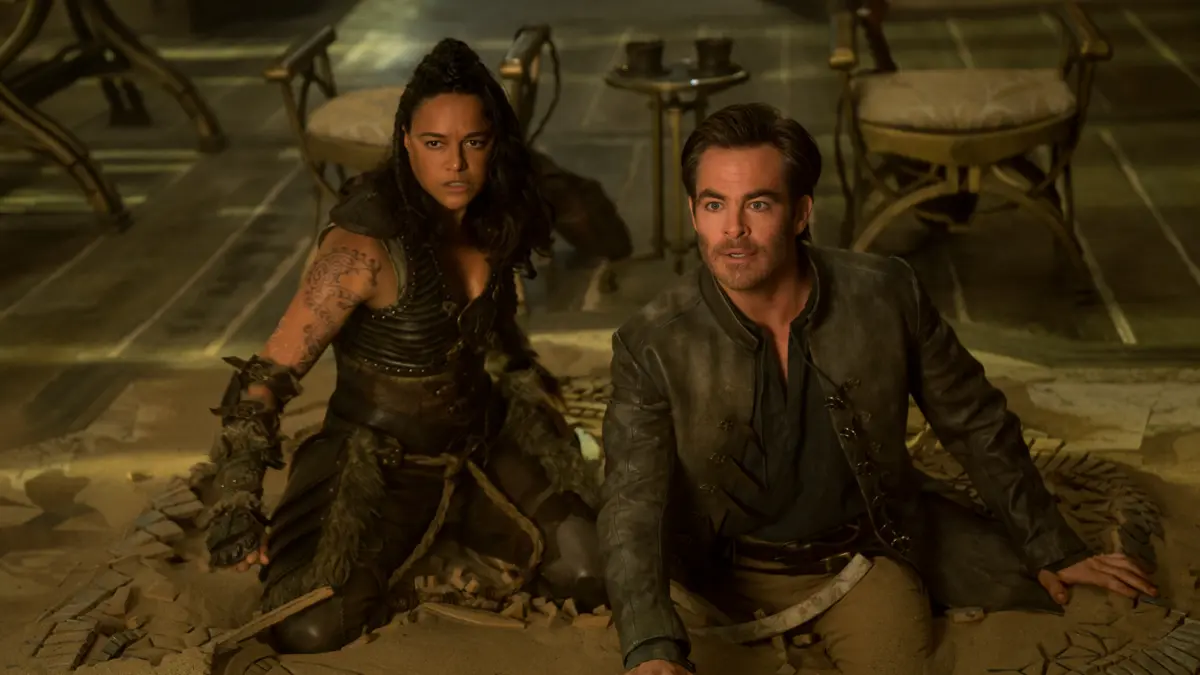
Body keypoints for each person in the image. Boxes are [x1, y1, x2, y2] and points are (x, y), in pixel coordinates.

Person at [596, 103, 1157, 675]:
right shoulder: (651, 342)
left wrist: (1053, 546)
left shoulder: (886, 293)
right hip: (713, 571)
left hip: (859, 555)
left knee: (1075, 607)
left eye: (758, 204)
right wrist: (651, 645)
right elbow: (631, 501)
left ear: (800, 212)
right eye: (714, 204)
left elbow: (975, 422)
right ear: (694, 212)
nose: (733, 229)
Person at [203, 38, 605, 656]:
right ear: (406, 142)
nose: (456, 165)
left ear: (494, 143)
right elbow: (264, 378)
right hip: (378, 461)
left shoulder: (497, 215)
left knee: (589, 572)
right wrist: (236, 498)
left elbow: (497, 337)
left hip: (480, 443)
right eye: (435, 144)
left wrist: (532, 405)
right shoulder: (361, 250)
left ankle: (463, 528)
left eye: (474, 142)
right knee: (310, 628)